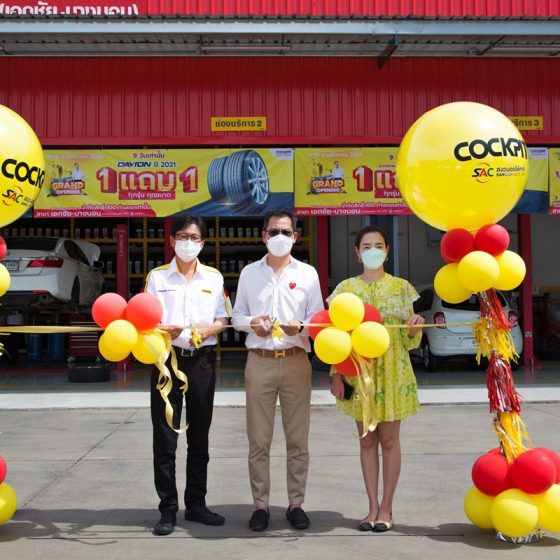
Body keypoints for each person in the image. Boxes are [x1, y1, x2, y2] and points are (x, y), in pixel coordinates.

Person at [232, 210, 324, 532]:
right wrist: (252, 323)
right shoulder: (249, 273)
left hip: (296, 358)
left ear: (296, 236)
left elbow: (318, 319)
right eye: (274, 231)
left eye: (286, 231)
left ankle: (296, 503)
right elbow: (236, 316)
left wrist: (302, 326)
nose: (280, 237)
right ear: (264, 236)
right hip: (260, 361)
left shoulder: (308, 274)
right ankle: (260, 505)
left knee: (297, 439)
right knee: (259, 439)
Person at [329, 225, 424, 533]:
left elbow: (409, 341)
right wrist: (336, 375)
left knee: (390, 440)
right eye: (366, 246)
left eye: (379, 246)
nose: (373, 251)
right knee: (367, 439)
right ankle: (371, 507)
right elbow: (335, 338)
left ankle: (387, 508)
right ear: (357, 253)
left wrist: (414, 328)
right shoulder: (345, 290)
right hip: (358, 373)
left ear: (387, 251)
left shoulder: (402, 288)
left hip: (394, 372)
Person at [145, 216, 230, 536]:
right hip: (166, 361)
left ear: (203, 243)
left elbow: (223, 318)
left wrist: (210, 330)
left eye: (194, 237)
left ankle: (196, 504)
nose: (188, 243)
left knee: (199, 435)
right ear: (171, 241)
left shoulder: (214, 277)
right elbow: (144, 318)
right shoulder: (157, 277)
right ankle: (168, 508)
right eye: (182, 236)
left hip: (201, 362)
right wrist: (160, 329)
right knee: (165, 437)